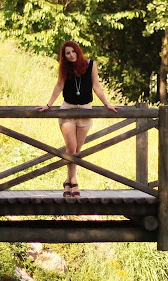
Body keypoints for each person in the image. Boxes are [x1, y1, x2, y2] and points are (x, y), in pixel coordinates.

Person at [38, 41, 118, 198]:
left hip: (86, 111)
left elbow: (96, 86)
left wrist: (107, 104)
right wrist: (48, 105)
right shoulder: (64, 68)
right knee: (71, 148)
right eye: (67, 53)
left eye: (73, 51)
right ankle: (74, 181)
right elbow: (59, 86)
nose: (71, 55)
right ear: (64, 56)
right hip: (67, 111)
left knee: (77, 151)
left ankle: (68, 181)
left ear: (78, 51)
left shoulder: (91, 65)